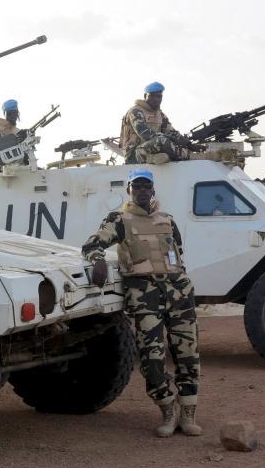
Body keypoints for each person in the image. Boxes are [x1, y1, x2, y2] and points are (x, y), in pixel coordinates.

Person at [81, 168, 202, 438]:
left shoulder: (168, 220)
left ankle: (189, 413)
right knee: (152, 357)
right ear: (129, 190)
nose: (143, 190)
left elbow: (177, 254)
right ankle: (168, 409)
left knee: (188, 352)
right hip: (143, 291)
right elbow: (91, 245)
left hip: (178, 290)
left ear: (153, 189)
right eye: (137, 186)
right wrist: (98, 260)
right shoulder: (120, 220)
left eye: (147, 185)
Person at [120, 82, 204, 165]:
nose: (156, 100)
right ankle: (192, 157)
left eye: (159, 96)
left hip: (150, 149)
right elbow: (146, 135)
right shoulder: (135, 111)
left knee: (166, 148)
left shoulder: (160, 114)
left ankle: (153, 158)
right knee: (161, 140)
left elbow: (172, 132)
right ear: (145, 96)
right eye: (152, 96)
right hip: (133, 154)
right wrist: (171, 139)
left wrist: (189, 145)